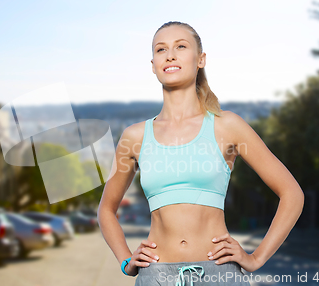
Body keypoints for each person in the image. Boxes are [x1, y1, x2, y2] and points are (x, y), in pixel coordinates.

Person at [97, 21, 304, 286]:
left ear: (200, 59)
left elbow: (292, 193)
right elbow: (106, 209)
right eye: (161, 49)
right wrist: (126, 260)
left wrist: (256, 258)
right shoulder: (134, 137)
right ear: (153, 65)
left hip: (220, 274)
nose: (170, 55)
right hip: (156, 276)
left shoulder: (227, 126)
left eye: (181, 46)